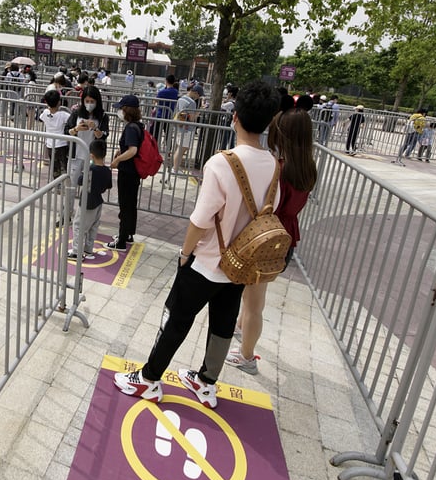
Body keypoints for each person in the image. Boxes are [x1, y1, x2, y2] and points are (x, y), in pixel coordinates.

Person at [113, 80, 281, 408]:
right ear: (269, 121)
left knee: (176, 318)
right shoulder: (274, 164)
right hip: (242, 263)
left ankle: (149, 379)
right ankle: (206, 383)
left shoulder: (222, 163)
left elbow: (200, 220)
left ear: (235, 118)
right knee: (222, 324)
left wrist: (184, 253)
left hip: (207, 260)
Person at [227, 105, 317, 375]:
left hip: (265, 239)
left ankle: (246, 357)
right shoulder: (307, 168)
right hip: (285, 239)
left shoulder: (279, 168)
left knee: (255, 302)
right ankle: (242, 329)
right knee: (255, 295)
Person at [63, 85, 109, 231]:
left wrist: (95, 129)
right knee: (70, 187)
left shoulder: (102, 116)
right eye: (86, 100)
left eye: (92, 101)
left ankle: (85, 218)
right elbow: (66, 131)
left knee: (89, 189)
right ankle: (66, 216)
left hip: (93, 159)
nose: (89, 104)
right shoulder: (76, 113)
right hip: (76, 155)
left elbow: (104, 135)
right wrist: (76, 129)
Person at [107, 94, 145, 251]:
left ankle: (121, 240)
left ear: (126, 110)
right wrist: (120, 150)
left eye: (121, 109)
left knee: (125, 205)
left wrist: (117, 161)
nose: (119, 112)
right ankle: (128, 234)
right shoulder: (138, 125)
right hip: (133, 172)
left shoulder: (130, 128)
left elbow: (133, 150)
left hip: (127, 171)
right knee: (131, 204)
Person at [68, 138, 112, 260]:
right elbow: (108, 186)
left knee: (79, 226)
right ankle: (88, 249)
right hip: (98, 201)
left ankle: (77, 252)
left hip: (87, 202)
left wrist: (86, 169)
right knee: (93, 226)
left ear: (91, 155)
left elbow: (80, 181)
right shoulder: (107, 170)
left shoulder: (91, 170)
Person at [38, 89, 70, 179]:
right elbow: (71, 120)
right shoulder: (63, 115)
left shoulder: (45, 113)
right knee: (64, 165)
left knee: (55, 166)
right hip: (61, 144)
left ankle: (57, 185)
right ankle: (65, 184)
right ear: (59, 102)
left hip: (50, 144)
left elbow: (41, 117)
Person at [172, 83, 202, 173]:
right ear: (195, 92)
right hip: (187, 128)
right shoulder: (192, 103)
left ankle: (175, 167)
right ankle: (175, 169)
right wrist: (198, 113)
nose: (199, 97)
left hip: (179, 126)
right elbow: (192, 118)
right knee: (182, 149)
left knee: (179, 148)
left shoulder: (181, 99)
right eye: (199, 95)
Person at [152, 74, 179, 140]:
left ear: (166, 81)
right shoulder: (175, 92)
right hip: (169, 115)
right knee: (168, 134)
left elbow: (155, 101)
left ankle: (154, 147)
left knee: (156, 133)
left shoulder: (162, 92)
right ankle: (169, 148)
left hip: (160, 114)